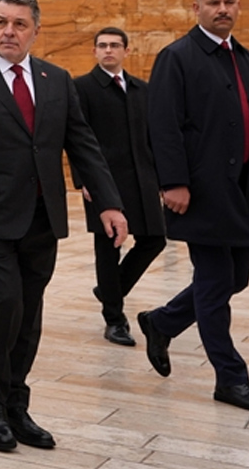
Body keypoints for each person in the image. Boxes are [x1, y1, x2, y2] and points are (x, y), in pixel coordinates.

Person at [0, 0, 126, 452]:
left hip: (42, 216)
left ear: (36, 30)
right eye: (0, 23)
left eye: (18, 24)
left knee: (30, 313)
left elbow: (82, 145)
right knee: (2, 307)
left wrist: (110, 203)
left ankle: (17, 402)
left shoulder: (56, 80)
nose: (8, 31)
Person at [140, 0, 249, 414]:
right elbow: (162, 125)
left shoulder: (248, 61)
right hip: (203, 192)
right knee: (216, 285)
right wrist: (172, 182)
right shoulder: (176, 58)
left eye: (229, 2)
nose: (222, 9)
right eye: (213, 2)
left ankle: (161, 322)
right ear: (195, 8)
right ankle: (231, 379)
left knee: (235, 278)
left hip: (244, 194)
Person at [71, 27, 166, 347]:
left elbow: (154, 136)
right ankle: (115, 319)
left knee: (155, 239)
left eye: (114, 45)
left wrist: (163, 179)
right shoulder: (81, 87)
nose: (108, 50)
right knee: (109, 248)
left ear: (126, 50)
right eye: (102, 46)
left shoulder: (143, 89)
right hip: (104, 182)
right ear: (94, 52)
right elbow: (74, 137)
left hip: (143, 179)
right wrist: (83, 180)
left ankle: (109, 290)